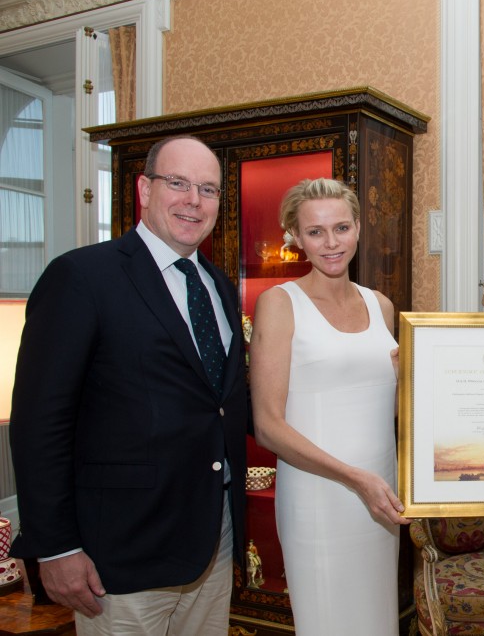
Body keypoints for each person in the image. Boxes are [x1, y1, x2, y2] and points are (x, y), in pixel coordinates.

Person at [9, 135, 249, 635]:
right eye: (177, 183)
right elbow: (40, 422)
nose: (193, 200)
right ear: (143, 189)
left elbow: (221, 403)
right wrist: (56, 546)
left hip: (213, 533)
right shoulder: (82, 276)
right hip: (122, 547)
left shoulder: (219, 286)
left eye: (208, 189)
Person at [249, 177, 409, 635]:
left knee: (376, 620)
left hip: (381, 496)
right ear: (296, 238)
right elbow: (267, 425)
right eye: (315, 232)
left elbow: (390, 409)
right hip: (320, 498)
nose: (331, 242)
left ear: (358, 228)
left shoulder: (381, 306)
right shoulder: (279, 304)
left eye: (341, 227)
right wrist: (356, 479)